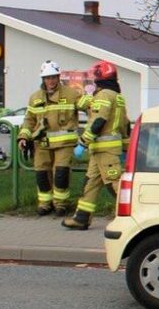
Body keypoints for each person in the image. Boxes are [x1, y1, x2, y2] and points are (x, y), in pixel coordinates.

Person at [63, 60, 131, 231]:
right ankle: (81, 218)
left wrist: (82, 143)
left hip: (105, 150)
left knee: (114, 185)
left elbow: (98, 121)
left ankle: (134, 216)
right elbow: (125, 124)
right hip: (103, 150)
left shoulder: (104, 95)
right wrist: (125, 146)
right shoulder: (117, 96)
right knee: (90, 184)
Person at [17, 61, 84, 216]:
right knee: (41, 174)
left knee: (61, 173)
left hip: (64, 144)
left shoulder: (71, 94)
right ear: (43, 79)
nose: (51, 81)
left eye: (53, 77)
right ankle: (45, 204)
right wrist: (23, 137)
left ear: (58, 77)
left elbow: (89, 107)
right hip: (41, 143)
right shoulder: (35, 97)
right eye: (47, 78)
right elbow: (29, 120)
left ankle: (61, 204)